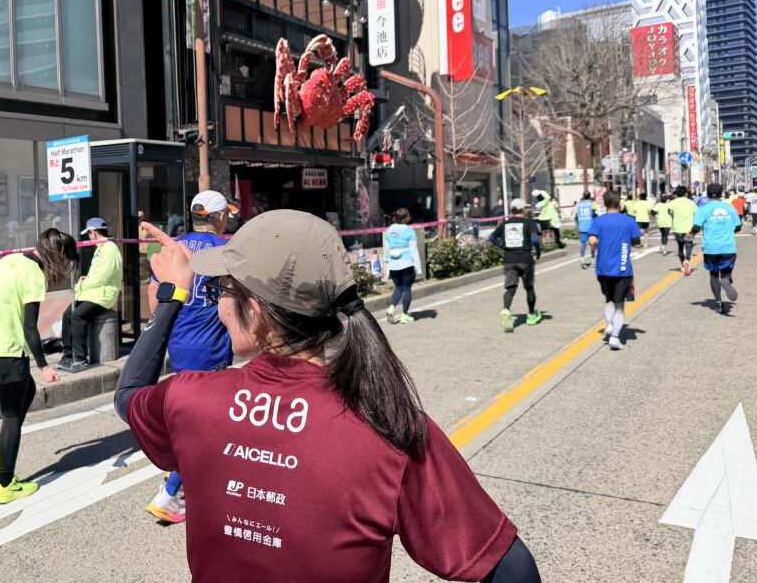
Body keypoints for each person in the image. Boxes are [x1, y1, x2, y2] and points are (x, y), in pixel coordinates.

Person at [115, 210, 541, 582]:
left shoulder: (193, 401)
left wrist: (171, 298)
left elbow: (130, 394)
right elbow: (509, 565)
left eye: (221, 290)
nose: (218, 303)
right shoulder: (390, 426)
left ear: (258, 314)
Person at [143, 190, 238, 523]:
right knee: (207, 426)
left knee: (193, 419)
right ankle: (169, 492)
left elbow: (154, 292)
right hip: (211, 346)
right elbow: (233, 302)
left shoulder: (174, 247)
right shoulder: (225, 251)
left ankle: (186, 483)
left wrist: (161, 333)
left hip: (178, 343)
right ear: (219, 217)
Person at [0, 228, 77, 503]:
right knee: (12, 417)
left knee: (26, 392)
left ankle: (0, 459)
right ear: (58, 256)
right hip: (7, 353)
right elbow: (30, 328)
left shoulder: (8, 261)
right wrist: (43, 366)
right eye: (66, 261)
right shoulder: (34, 276)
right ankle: (5, 483)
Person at [57, 218, 122, 373]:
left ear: (93, 232)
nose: (89, 237)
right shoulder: (101, 248)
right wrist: (86, 281)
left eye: (89, 234)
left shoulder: (109, 249)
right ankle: (68, 354)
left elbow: (103, 277)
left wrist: (81, 285)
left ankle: (80, 358)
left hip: (103, 295)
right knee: (67, 314)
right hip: (93, 292)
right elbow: (98, 275)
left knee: (77, 316)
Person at [588, 191, 642, 350]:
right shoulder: (628, 221)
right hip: (622, 268)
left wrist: (601, 247)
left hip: (603, 268)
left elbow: (591, 241)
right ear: (619, 203)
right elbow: (637, 242)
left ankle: (609, 324)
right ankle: (615, 337)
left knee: (608, 299)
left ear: (605, 204)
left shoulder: (598, 221)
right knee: (620, 304)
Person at [489, 199, 543, 332]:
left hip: (509, 259)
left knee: (511, 288)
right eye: (526, 207)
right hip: (525, 258)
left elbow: (491, 237)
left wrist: (501, 245)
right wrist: (538, 250)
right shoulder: (529, 223)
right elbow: (535, 239)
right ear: (523, 209)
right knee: (529, 287)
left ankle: (506, 309)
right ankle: (531, 315)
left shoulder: (505, 224)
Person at [692, 184, 742, 315]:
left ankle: (719, 302)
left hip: (710, 248)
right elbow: (738, 227)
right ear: (721, 194)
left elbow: (696, 227)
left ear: (707, 194)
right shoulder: (729, 208)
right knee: (726, 272)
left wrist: (690, 234)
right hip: (728, 247)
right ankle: (726, 280)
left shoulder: (702, 209)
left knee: (713, 275)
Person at [383, 208, 422, 324]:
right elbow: (413, 250)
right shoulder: (409, 232)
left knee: (398, 287)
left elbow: (386, 249)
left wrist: (386, 260)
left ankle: (391, 308)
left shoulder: (388, 231)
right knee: (407, 288)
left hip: (393, 265)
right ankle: (405, 315)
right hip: (407, 264)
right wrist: (418, 267)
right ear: (406, 218)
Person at [668, 187, 697, 275]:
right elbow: (696, 213)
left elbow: (669, 211)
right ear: (685, 194)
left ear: (676, 194)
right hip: (689, 228)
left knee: (680, 246)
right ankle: (687, 261)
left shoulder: (673, 202)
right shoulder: (691, 203)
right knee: (688, 244)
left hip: (677, 228)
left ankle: (683, 265)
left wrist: (673, 216)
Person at [575, 191, 597, 268]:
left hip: (582, 226)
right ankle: (593, 261)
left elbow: (576, 215)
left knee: (583, 244)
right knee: (593, 244)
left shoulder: (579, 204)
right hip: (591, 226)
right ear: (590, 196)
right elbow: (594, 213)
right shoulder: (593, 203)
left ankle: (582, 259)